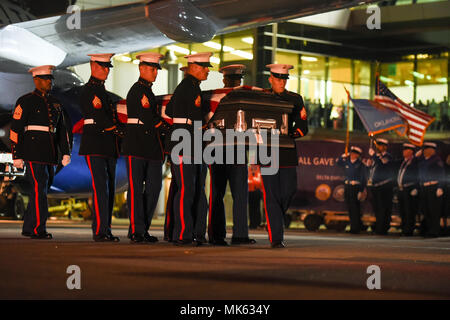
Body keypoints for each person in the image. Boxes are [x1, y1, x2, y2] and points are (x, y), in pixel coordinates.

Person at [10, 65, 71, 239]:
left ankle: (29, 227)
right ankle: (38, 228)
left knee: (41, 188)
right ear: (36, 80)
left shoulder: (55, 103)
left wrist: (65, 153)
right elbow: (16, 130)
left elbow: (61, 130)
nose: (49, 82)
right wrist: (17, 155)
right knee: (39, 189)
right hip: (33, 152)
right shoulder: (25, 101)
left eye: (50, 79)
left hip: (50, 153)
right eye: (45, 79)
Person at [122, 52, 169, 243]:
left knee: (153, 188)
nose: (155, 73)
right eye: (151, 69)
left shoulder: (148, 91)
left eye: (156, 69)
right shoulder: (138, 91)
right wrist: (168, 128)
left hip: (150, 147)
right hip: (137, 144)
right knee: (136, 189)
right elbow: (148, 117)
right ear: (141, 69)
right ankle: (136, 230)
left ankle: (143, 228)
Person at [164, 52, 211, 246]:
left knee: (192, 190)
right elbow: (196, 117)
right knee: (187, 190)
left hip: (188, 142)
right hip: (186, 143)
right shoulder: (190, 88)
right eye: (205, 67)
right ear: (194, 67)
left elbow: (168, 111)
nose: (207, 70)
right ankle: (183, 233)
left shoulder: (187, 87)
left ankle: (192, 232)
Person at [208, 64, 256, 246]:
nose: (235, 83)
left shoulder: (245, 99)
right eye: (232, 80)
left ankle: (239, 235)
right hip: (219, 151)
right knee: (217, 195)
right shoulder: (217, 99)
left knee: (240, 196)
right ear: (224, 80)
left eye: (237, 80)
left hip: (235, 153)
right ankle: (217, 235)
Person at [261, 64, 308, 248]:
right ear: (270, 79)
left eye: (284, 79)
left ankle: (275, 220)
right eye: (278, 78)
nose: (281, 82)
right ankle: (276, 237)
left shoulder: (295, 99)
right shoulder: (262, 98)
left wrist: (289, 134)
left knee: (289, 191)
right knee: (271, 195)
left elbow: (303, 127)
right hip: (267, 151)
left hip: (287, 150)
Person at [79, 53, 122, 242]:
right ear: (92, 66)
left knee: (109, 188)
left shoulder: (103, 92)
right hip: (95, 143)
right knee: (101, 188)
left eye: (107, 67)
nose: (106, 70)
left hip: (107, 145)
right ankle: (100, 230)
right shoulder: (88, 91)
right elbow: (100, 117)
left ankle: (106, 228)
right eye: (102, 66)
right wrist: (120, 131)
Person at [366, 138, 394, 235]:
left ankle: (383, 228)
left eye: (380, 145)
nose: (378, 147)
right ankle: (379, 227)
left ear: (385, 147)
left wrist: (374, 155)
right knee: (377, 208)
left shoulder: (387, 156)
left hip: (385, 186)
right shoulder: (376, 157)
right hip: (375, 186)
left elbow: (383, 164)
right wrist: (369, 165)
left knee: (383, 208)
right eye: (377, 145)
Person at [417, 142, 445, 238]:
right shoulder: (423, 161)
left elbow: (441, 175)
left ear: (432, 150)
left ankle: (434, 231)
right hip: (424, 187)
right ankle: (428, 229)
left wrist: (440, 187)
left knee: (434, 210)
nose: (424, 151)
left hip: (433, 187)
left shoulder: (436, 161)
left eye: (426, 149)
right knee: (426, 210)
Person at [337, 146, 366, 234]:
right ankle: (353, 226)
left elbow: (363, 178)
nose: (352, 155)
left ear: (357, 155)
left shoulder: (360, 165)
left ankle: (355, 228)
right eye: (351, 153)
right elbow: (338, 163)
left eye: (354, 153)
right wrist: (342, 156)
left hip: (355, 187)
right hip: (348, 186)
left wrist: (361, 190)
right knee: (350, 208)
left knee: (355, 209)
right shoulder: (347, 162)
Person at [395, 143, 419, 236]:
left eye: (406, 150)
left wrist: (416, 187)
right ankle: (404, 227)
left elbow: (418, 175)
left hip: (410, 188)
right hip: (401, 189)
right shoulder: (403, 162)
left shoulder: (415, 162)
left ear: (411, 151)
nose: (403, 151)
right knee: (403, 210)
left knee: (409, 210)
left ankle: (409, 229)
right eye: (404, 150)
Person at [248, 164, 263, 229]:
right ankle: (253, 223)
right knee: (252, 208)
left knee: (256, 208)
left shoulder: (258, 169)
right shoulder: (250, 168)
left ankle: (256, 223)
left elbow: (259, 181)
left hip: (257, 190)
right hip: (250, 190)